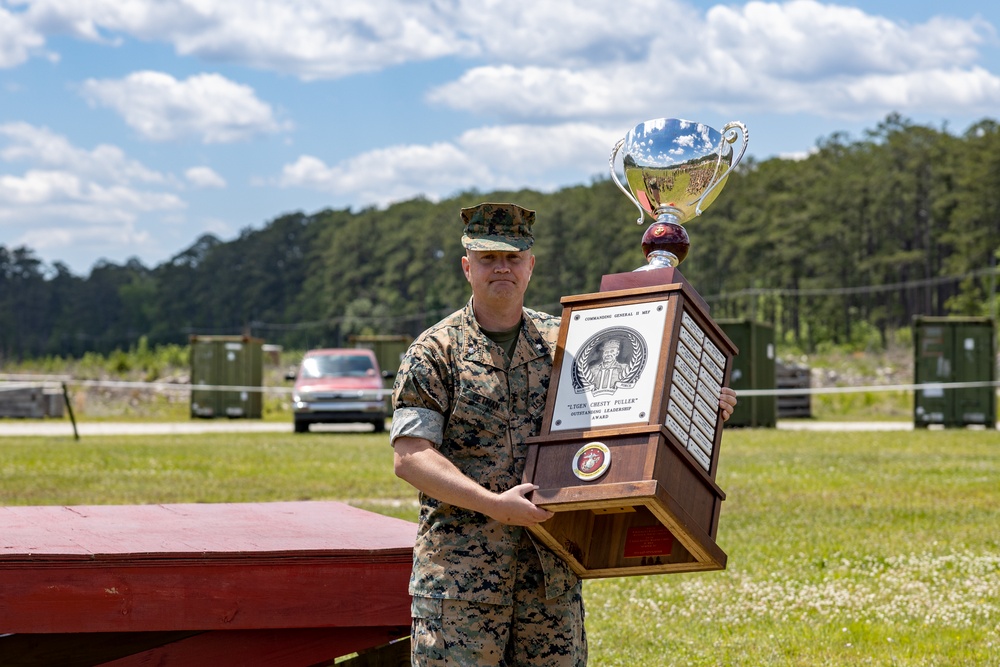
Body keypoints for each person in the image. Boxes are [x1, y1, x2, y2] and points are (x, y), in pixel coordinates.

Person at [390, 202, 737, 666]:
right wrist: (494, 505)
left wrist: (696, 398)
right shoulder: (434, 352)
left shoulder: (569, 341)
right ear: (466, 266)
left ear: (530, 265)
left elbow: (630, 408)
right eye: (489, 258)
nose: (502, 268)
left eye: (513, 258)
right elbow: (411, 456)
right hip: (461, 583)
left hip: (549, 577)